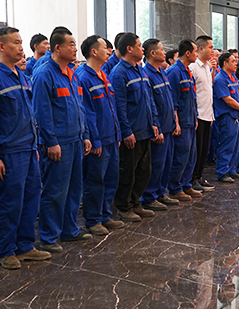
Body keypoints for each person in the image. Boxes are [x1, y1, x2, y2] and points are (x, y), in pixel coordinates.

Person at [0, 27, 52, 269]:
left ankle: (25, 246)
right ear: (1, 46)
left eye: (21, 42)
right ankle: (6, 250)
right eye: (16, 43)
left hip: (28, 148)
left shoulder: (20, 76)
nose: (21, 47)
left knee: (30, 199)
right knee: (9, 203)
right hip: (8, 152)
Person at [31, 27, 93, 252]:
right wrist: (51, 142)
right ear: (57, 48)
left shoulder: (72, 73)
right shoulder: (44, 74)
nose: (75, 49)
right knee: (55, 190)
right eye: (71, 44)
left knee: (74, 188)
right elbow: (42, 112)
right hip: (59, 142)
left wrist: (85, 135)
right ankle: (49, 236)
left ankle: (69, 229)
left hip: (75, 139)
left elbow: (80, 107)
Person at [77, 35, 125, 235]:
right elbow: (87, 112)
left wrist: (118, 133)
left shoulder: (103, 75)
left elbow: (112, 107)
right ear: (94, 52)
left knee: (111, 178)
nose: (109, 51)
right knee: (95, 180)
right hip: (99, 139)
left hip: (111, 137)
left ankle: (105, 214)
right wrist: (94, 140)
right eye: (105, 48)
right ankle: (93, 219)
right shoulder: (83, 77)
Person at [110, 33, 160, 220]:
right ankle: (125, 207)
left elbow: (149, 99)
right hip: (132, 132)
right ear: (129, 49)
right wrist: (126, 131)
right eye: (139, 45)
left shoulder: (140, 70)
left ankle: (136, 202)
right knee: (128, 172)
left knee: (143, 171)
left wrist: (154, 122)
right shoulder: (119, 73)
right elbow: (119, 106)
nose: (143, 49)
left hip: (145, 129)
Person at [139, 38, 176, 211]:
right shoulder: (146, 74)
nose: (165, 52)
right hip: (158, 128)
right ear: (152, 53)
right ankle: (149, 196)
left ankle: (161, 192)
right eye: (162, 49)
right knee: (156, 164)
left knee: (166, 163)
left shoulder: (162, 72)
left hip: (168, 126)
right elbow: (150, 103)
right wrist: (156, 127)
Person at [165, 39, 200, 202]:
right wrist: (176, 122)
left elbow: (192, 98)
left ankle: (186, 184)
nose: (196, 55)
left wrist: (195, 117)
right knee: (180, 156)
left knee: (191, 156)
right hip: (182, 122)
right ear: (187, 53)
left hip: (190, 120)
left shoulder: (187, 71)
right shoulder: (174, 72)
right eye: (195, 51)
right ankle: (175, 188)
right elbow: (173, 101)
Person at [213, 51, 239, 182]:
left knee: (235, 145)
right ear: (225, 63)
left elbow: (238, 95)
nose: (236, 63)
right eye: (233, 61)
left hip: (236, 115)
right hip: (227, 116)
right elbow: (227, 100)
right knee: (226, 145)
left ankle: (231, 170)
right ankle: (222, 172)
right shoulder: (220, 79)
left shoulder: (232, 77)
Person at [189, 35, 216, 191]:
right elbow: (193, 93)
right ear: (201, 49)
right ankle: (192, 179)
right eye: (210, 47)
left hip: (207, 114)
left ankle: (199, 176)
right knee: (197, 150)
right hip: (198, 115)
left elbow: (208, 88)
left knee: (204, 149)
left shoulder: (206, 66)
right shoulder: (193, 67)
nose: (212, 50)